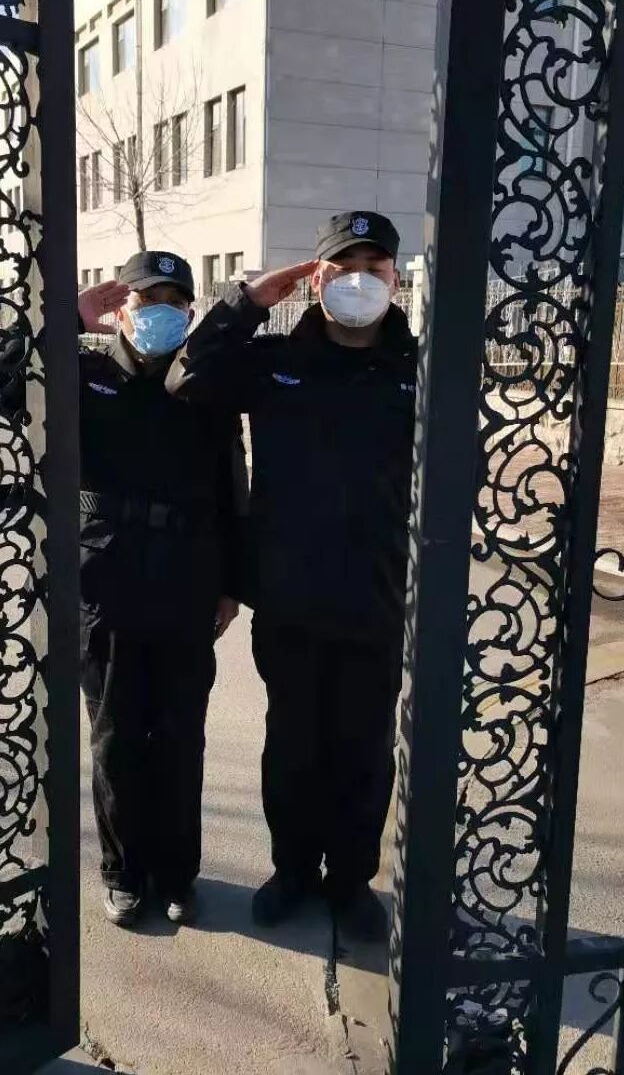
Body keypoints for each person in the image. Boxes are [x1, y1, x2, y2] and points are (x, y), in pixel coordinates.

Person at [0, 251, 247, 928]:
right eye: (147, 298)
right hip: (107, 582)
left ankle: (177, 873)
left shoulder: (204, 387)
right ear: (121, 308)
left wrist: (231, 584)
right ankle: (123, 871)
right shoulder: (82, 374)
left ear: (189, 311)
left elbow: (231, 489)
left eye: (174, 301)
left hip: (186, 583)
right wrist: (64, 318)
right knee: (116, 738)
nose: (160, 311)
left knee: (180, 738)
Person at [167, 213, 417, 940]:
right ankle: (294, 870)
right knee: (294, 746)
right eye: (343, 267)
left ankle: (351, 881)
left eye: (375, 267)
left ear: (395, 279)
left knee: (364, 750)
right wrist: (247, 302)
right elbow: (189, 377)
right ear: (317, 278)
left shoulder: (417, 367)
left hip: (377, 597)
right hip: (291, 598)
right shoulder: (278, 360)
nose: (360, 280)